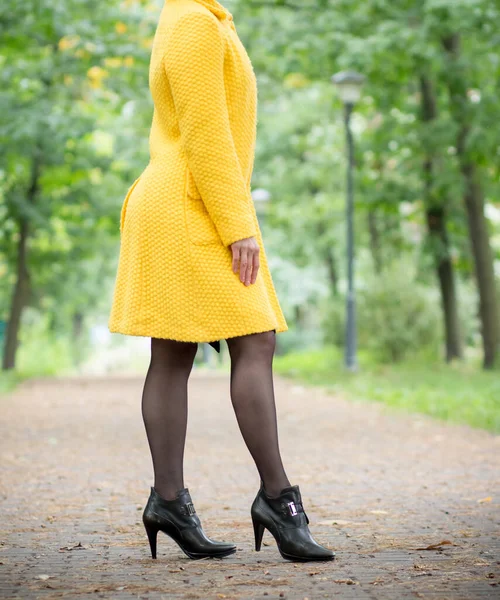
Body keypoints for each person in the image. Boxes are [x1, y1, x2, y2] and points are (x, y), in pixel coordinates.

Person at [108, 0, 334, 563]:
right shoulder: (192, 23)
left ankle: (169, 502)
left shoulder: (201, 19)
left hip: (186, 202)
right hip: (189, 207)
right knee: (253, 340)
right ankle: (278, 500)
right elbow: (207, 134)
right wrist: (240, 226)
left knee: (177, 352)